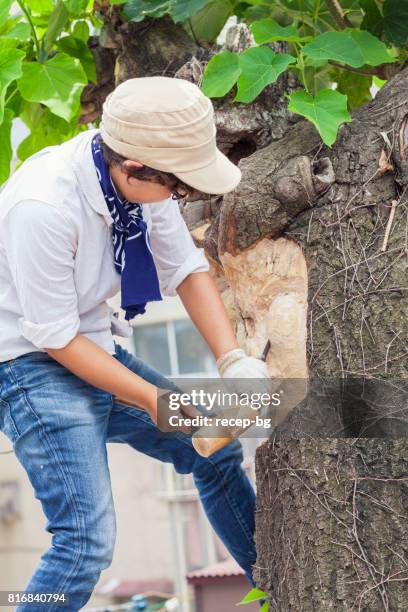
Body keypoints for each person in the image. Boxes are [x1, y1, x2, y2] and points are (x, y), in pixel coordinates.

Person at [0, 76, 270, 611]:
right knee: (85, 542)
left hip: (92, 346)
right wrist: (155, 401)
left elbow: (186, 268)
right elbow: (54, 336)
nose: (181, 199)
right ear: (134, 168)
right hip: (29, 364)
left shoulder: (138, 182)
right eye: (179, 189)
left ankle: (283, 591)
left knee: (213, 455)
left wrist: (231, 357)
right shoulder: (42, 206)